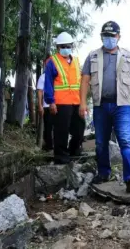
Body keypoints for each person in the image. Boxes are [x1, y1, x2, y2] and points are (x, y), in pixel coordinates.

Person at [79, 21, 130, 193]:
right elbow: (85, 80)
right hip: (101, 105)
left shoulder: (128, 56)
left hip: (123, 106)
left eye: (112, 36)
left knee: (126, 141)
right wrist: (83, 103)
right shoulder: (92, 56)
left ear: (118, 36)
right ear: (101, 37)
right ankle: (104, 172)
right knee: (100, 142)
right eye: (106, 36)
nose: (109, 39)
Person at [44, 32, 85, 164]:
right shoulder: (52, 62)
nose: (65, 48)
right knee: (61, 131)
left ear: (71, 46)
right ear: (57, 47)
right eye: (62, 46)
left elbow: (81, 82)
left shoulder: (76, 61)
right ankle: (61, 156)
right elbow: (48, 83)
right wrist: (51, 102)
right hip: (61, 103)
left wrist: (83, 102)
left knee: (79, 129)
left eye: (68, 46)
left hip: (76, 102)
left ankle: (73, 150)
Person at [37, 56, 53, 151]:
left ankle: (59, 146)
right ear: (44, 64)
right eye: (47, 62)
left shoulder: (57, 75)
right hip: (47, 106)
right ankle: (49, 147)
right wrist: (40, 105)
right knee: (48, 128)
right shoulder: (43, 77)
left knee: (59, 127)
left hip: (59, 105)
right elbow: (39, 91)